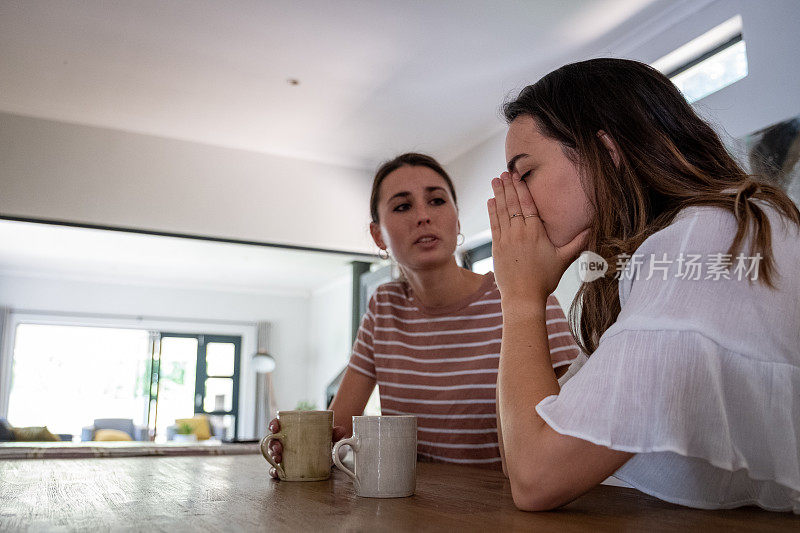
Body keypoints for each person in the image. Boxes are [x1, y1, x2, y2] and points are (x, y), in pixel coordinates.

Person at [489, 58, 800, 512]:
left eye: (525, 172)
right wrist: (523, 295)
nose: (512, 197)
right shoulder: (650, 263)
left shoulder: (707, 238)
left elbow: (536, 476)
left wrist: (520, 299)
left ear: (606, 153)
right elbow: (522, 450)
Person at [267, 152, 580, 477]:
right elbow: (338, 430)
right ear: (378, 236)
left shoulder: (520, 298)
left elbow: (566, 430)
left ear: (457, 220)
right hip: (408, 509)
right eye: (403, 206)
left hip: (505, 512)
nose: (423, 216)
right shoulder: (383, 306)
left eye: (436, 201)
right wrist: (299, 446)